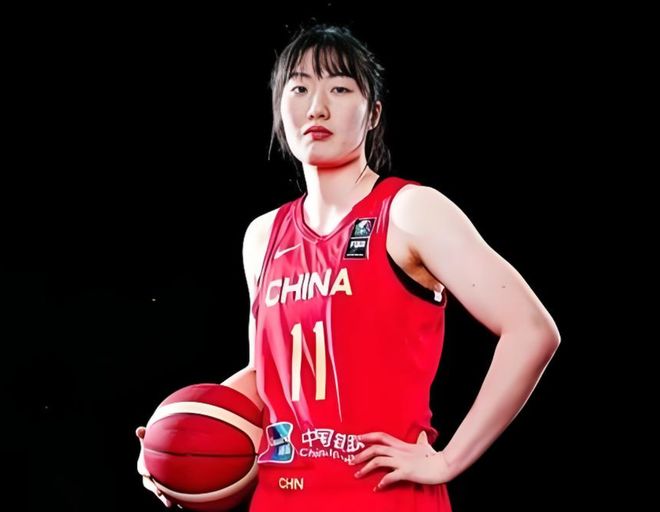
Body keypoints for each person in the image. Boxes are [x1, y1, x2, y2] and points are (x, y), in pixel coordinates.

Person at [136, 24, 560, 511]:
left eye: (339, 89)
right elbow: (267, 374)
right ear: (279, 108)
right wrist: (175, 441)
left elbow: (531, 330)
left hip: (385, 498)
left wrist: (449, 459)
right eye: (299, 88)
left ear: (373, 113)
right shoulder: (263, 236)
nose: (317, 107)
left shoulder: (409, 211)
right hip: (281, 498)